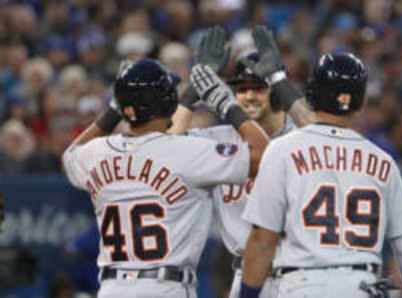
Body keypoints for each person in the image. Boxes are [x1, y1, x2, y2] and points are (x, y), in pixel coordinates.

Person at [62, 58, 269, 298]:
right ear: (167, 102)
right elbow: (264, 155)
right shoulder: (187, 151)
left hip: (112, 288)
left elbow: (69, 157)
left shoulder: (97, 153)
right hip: (165, 287)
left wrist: (113, 111)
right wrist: (226, 103)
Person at [240, 52, 402, 298]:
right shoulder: (384, 161)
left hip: (302, 284)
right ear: (361, 101)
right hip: (361, 285)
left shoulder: (282, 150)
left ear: (312, 92)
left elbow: (262, 240)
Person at [173, 26, 314, 298]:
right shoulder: (217, 142)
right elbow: (164, 145)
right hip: (246, 275)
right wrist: (195, 89)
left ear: (275, 92)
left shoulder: (302, 137)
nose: (249, 96)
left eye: (259, 88)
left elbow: (331, 138)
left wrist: (281, 80)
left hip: (300, 274)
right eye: (241, 89)